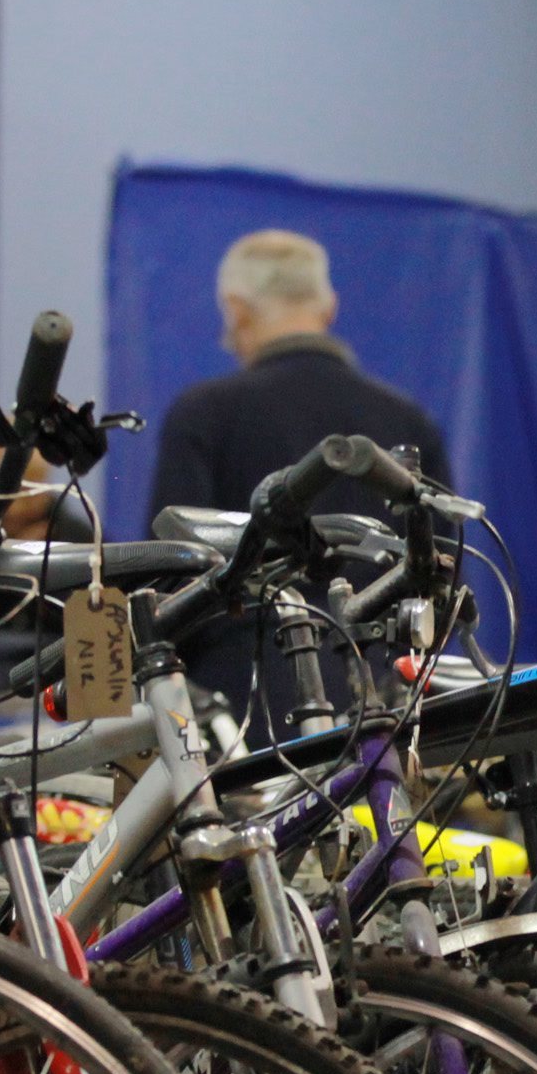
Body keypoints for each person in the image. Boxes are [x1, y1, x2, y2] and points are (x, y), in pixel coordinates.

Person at [145, 230, 453, 713]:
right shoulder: (410, 425)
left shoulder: (204, 416)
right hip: (388, 710)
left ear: (236, 309)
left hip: (246, 711)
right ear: (328, 308)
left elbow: (171, 574)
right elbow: (443, 578)